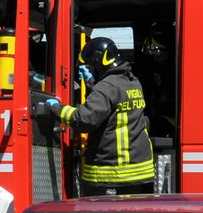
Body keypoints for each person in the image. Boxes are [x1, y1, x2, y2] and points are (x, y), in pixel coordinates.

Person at [39, 37, 155, 196]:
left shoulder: (105, 88)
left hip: (112, 173)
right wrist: (94, 84)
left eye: (90, 66)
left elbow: (83, 120)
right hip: (139, 171)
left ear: (98, 62)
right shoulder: (133, 82)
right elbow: (115, 100)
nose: (90, 70)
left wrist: (55, 108)